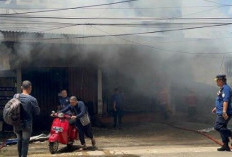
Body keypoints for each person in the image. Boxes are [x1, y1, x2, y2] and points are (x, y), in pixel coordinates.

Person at [14, 80, 40, 157]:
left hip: (16, 122)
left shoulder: (16, 96)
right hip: (27, 123)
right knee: (25, 142)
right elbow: (37, 112)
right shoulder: (32, 99)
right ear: (30, 88)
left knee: (19, 140)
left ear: (22, 87)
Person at [212, 74, 232, 151]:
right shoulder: (222, 88)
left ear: (221, 81)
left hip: (224, 112)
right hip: (220, 111)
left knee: (218, 126)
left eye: (217, 81)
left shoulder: (226, 89)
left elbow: (226, 100)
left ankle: (230, 135)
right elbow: (220, 100)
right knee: (222, 128)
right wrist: (216, 107)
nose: (216, 82)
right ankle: (225, 145)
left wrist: (224, 111)